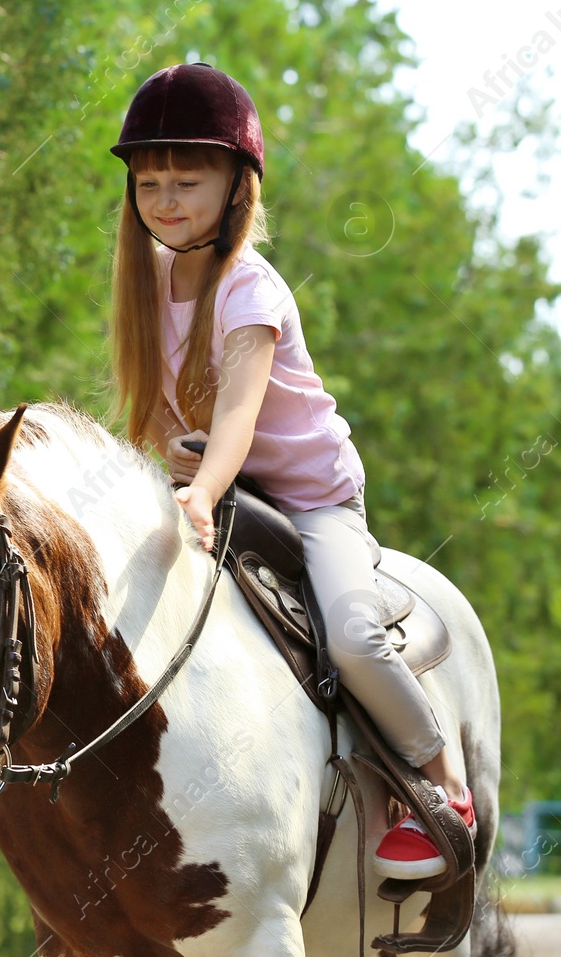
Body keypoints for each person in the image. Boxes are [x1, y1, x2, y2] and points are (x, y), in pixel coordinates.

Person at [104, 62, 475, 880]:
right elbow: (166, 410)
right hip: (227, 489)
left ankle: (442, 783)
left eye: (187, 180)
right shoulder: (150, 283)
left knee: (351, 634)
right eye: (149, 181)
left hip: (311, 502)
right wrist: (173, 466)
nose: (164, 199)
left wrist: (201, 490)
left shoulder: (250, 288)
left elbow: (237, 411)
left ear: (238, 186)